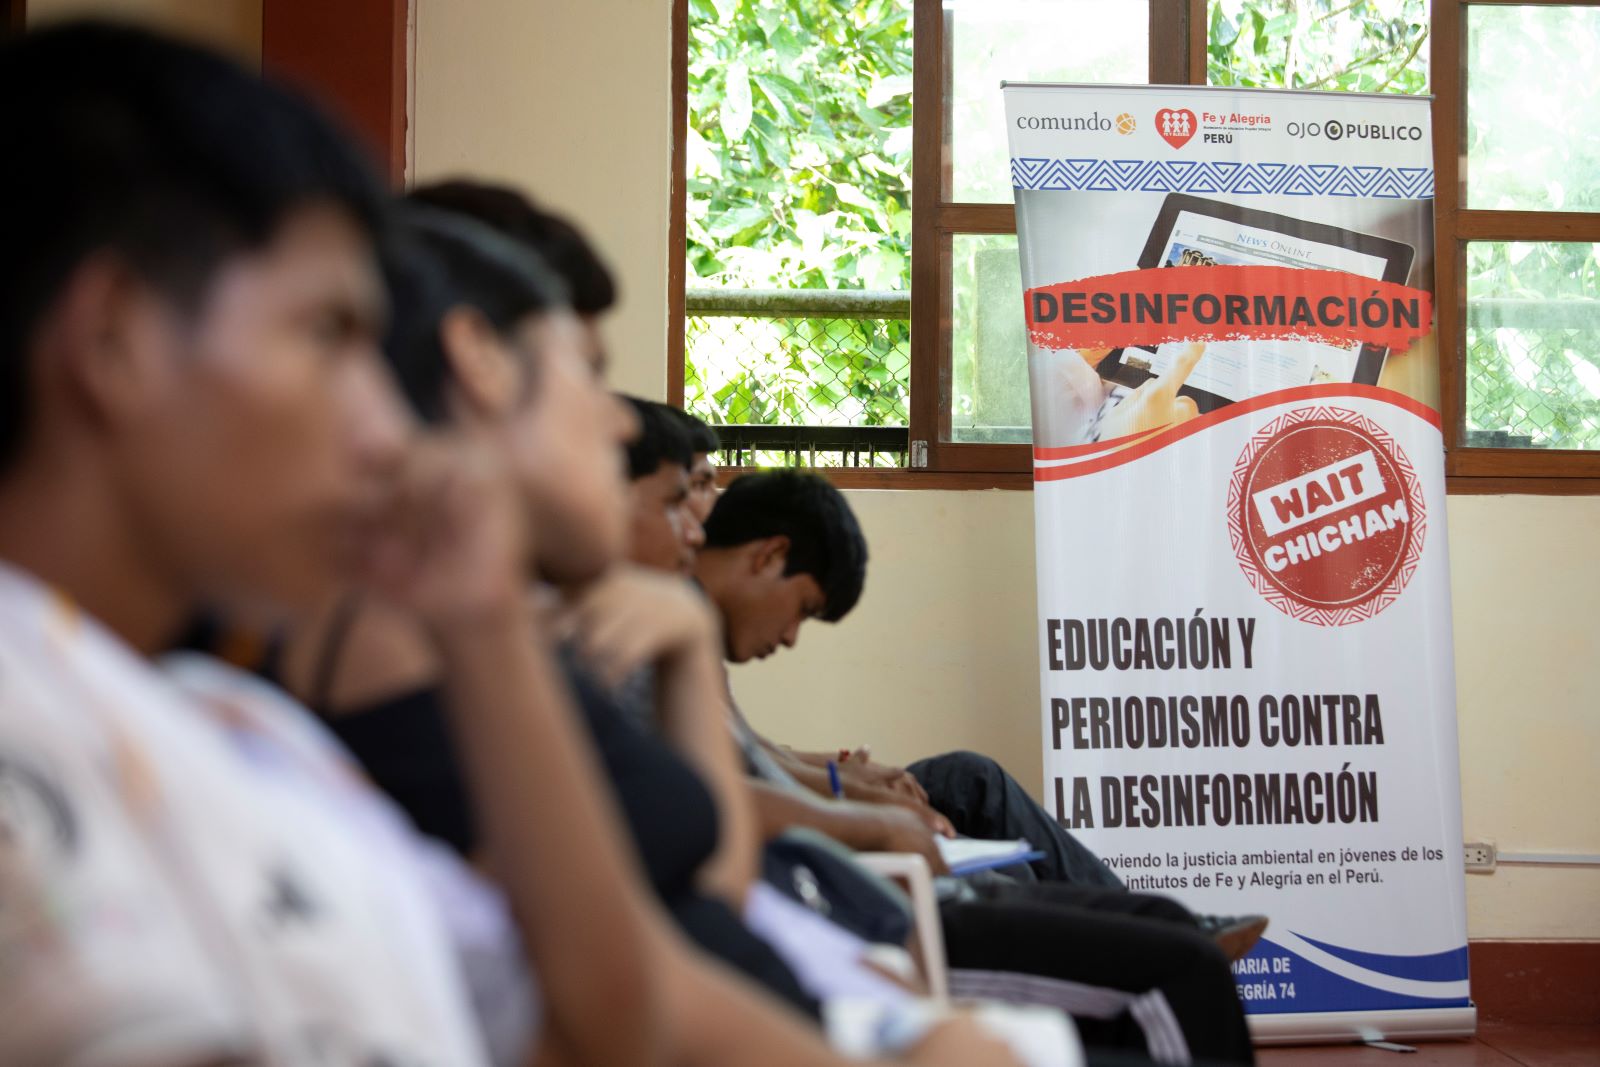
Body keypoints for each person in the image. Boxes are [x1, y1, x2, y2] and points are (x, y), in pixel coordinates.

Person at [0, 22, 1022, 1067]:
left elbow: (618, 1001)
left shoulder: (238, 725)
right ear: (116, 337)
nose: (384, 420)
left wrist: (486, 622)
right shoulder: (43, 734)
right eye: (325, 335)